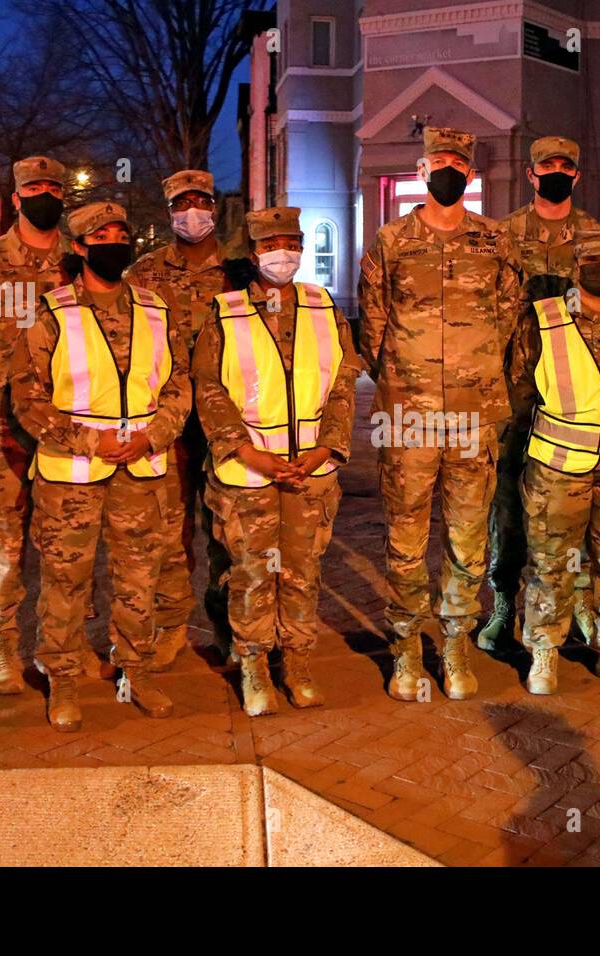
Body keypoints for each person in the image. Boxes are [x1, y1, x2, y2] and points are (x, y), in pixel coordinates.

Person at [11, 201, 190, 732]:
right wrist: (88, 438)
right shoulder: (51, 312)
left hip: (142, 467)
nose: (114, 242)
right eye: (101, 235)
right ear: (80, 247)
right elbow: (27, 397)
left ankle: (134, 670)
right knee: (65, 580)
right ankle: (62, 679)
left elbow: (179, 386)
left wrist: (152, 436)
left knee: (140, 577)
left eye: (121, 234)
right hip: (71, 475)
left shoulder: (156, 309)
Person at [358, 125, 521, 701]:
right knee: (405, 536)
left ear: (469, 175)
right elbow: (373, 324)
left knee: (469, 535)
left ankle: (455, 644)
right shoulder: (391, 239)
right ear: (421, 173)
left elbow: (508, 317)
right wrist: (408, 380)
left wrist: (472, 372)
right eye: (437, 162)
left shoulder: (495, 240)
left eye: (458, 162)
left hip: (474, 415)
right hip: (409, 415)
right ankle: (405, 649)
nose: (447, 170)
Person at [0, 156, 113, 694]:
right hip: (0, 429)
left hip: (67, 425)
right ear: (15, 198)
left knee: (68, 540)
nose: (45, 194)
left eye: (53, 187)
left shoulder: (76, 260)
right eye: (33, 187)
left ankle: (67, 641)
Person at [193, 206, 359, 716]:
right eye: (269, 245)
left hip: (311, 470)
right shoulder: (225, 312)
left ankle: (299, 660)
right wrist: (244, 450)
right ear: (254, 251)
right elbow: (209, 387)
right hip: (247, 473)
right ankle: (254, 664)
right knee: (251, 572)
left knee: (302, 571)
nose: (280, 253)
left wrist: (326, 447)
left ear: (302, 248)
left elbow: (343, 381)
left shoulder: (323, 307)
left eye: (289, 242)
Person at [509, 229, 600, 694]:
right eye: (591, 260)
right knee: (551, 563)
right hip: (558, 467)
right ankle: (544, 651)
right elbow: (519, 390)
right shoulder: (543, 319)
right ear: (576, 267)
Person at [483, 135, 600, 651]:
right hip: (516, 384)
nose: (556, 172)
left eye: (565, 166)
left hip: (575, 386)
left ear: (576, 175)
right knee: (508, 496)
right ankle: (505, 603)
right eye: (545, 165)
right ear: (531, 175)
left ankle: (574, 598)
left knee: (575, 494)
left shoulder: (597, 235)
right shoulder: (504, 234)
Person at [126, 169, 242, 671]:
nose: (191, 210)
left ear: (214, 207)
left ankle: (231, 629)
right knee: (167, 534)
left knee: (230, 529)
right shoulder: (144, 273)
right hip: (166, 423)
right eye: (181, 202)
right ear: (169, 210)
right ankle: (171, 625)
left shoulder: (242, 269)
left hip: (230, 422)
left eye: (200, 200)